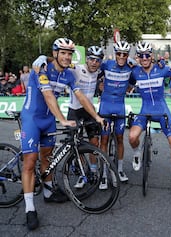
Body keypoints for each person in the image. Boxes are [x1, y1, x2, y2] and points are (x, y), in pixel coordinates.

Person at [21, 38, 104, 230]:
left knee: (47, 157)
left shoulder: (68, 75)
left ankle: (49, 193)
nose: (67, 57)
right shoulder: (41, 69)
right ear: (55, 53)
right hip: (32, 118)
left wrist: (96, 116)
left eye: (69, 53)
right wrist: (63, 120)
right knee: (31, 160)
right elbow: (49, 96)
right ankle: (30, 208)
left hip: (48, 120)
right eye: (63, 53)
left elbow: (80, 96)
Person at [128, 41, 171, 185]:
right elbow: (126, 84)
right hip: (145, 110)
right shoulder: (135, 72)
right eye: (141, 56)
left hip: (162, 110)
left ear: (152, 55)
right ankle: (137, 154)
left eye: (147, 55)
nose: (144, 58)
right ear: (138, 57)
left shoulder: (162, 69)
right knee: (132, 137)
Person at [98, 41, 136, 189]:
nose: (121, 56)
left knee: (120, 138)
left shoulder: (130, 68)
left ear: (127, 55)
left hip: (120, 106)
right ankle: (103, 174)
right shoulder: (106, 65)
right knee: (104, 139)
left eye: (124, 54)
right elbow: (92, 72)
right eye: (118, 53)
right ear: (115, 53)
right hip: (105, 106)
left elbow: (133, 82)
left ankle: (119, 170)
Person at [66, 46, 104, 188]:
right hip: (74, 111)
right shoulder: (75, 68)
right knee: (77, 145)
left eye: (97, 60)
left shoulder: (99, 71)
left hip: (89, 111)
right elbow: (59, 62)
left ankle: (93, 171)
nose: (94, 62)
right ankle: (83, 173)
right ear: (86, 59)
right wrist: (44, 58)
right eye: (91, 59)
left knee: (94, 143)